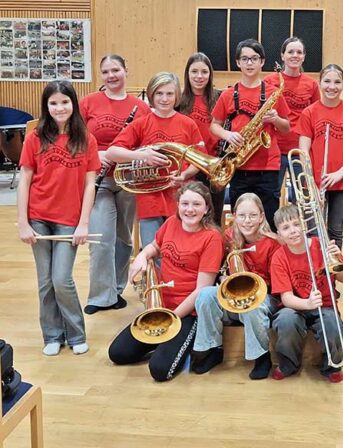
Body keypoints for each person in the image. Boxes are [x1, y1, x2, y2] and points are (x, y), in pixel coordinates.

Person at [108, 182, 224, 382]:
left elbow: (202, 289)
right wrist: (143, 255)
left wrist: (169, 320)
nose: (189, 209)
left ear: (206, 209)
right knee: (118, 354)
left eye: (196, 204)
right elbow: (155, 246)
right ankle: (166, 343)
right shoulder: (171, 223)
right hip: (161, 306)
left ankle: (185, 343)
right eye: (185, 203)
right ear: (177, 205)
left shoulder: (212, 238)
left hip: (188, 312)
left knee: (160, 371)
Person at [17, 80, 101, 356]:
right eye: (53, 103)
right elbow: (25, 181)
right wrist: (23, 222)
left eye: (64, 102)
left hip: (70, 219)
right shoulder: (35, 137)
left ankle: (76, 334)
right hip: (38, 216)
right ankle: (52, 335)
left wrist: (84, 223)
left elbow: (90, 184)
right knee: (45, 281)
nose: (59, 107)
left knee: (62, 278)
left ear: (73, 104)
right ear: (46, 106)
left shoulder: (86, 139)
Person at [80, 54, 151, 315]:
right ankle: (100, 296)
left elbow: (145, 143)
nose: (111, 76)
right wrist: (95, 155)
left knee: (123, 238)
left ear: (126, 70)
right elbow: (75, 138)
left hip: (128, 180)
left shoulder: (140, 107)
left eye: (116, 70)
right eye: (106, 71)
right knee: (101, 239)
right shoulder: (88, 103)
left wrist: (126, 156)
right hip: (97, 180)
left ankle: (117, 289)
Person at [106, 72, 204, 248]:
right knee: (153, 252)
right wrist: (142, 155)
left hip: (180, 198)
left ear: (177, 96)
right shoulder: (141, 123)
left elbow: (199, 159)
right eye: (159, 93)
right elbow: (112, 152)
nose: (164, 99)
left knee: (179, 250)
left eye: (169, 94)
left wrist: (185, 174)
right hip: (149, 198)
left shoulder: (188, 124)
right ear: (151, 95)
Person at [191, 193, 281, 379]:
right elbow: (223, 267)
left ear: (262, 216)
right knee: (206, 294)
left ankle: (262, 356)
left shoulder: (272, 243)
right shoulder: (229, 236)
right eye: (242, 216)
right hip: (234, 294)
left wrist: (251, 287)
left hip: (265, 297)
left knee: (252, 304)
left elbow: (277, 285)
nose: (247, 221)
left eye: (253, 216)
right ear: (234, 216)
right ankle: (213, 349)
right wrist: (225, 280)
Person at [210, 39, 290, 231]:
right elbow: (214, 126)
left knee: (269, 220)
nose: (249, 63)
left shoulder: (273, 93)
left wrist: (276, 119)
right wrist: (228, 135)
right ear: (238, 62)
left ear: (262, 62)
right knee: (242, 222)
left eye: (254, 58)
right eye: (245, 59)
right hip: (239, 166)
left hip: (268, 167)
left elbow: (286, 127)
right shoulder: (228, 94)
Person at [270, 205, 343, 383]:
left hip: (325, 305)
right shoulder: (279, 257)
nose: (292, 231)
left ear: (305, 226)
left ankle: (332, 365)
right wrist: (307, 304)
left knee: (332, 324)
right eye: (286, 228)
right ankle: (288, 363)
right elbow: (286, 297)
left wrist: (338, 257)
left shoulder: (320, 244)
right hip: (295, 306)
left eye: (296, 224)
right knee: (285, 321)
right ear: (279, 235)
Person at [297, 64, 343, 251]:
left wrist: (339, 174)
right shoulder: (309, 112)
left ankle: (332, 276)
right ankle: (315, 275)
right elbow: (303, 152)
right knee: (313, 231)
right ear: (320, 83)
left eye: (337, 82)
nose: (332, 86)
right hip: (314, 182)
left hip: (341, 181)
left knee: (336, 231)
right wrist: (311, 182)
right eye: (327, 81)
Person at [264, 37, 320, 203]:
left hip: (300, 150)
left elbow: (316, 117)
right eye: (290, 52)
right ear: (282, 56)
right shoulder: (269, 81)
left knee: (301, 198)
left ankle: (300, 229)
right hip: (275, 148)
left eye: (299, 52)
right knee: (272, 195)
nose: (295, 55)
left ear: (304, 56)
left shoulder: (311, 84)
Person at [177, 52, 224, 224]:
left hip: (214, 166)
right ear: (187, 74)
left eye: (204, 72)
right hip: (188, 166)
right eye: (194, 71)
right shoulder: (178, 100)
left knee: (213, 216)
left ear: (210, 74)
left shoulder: (220, 97)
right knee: (189, 216)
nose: (199, 76)